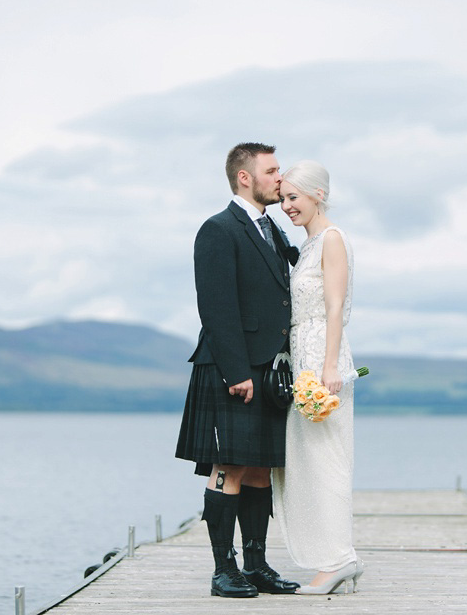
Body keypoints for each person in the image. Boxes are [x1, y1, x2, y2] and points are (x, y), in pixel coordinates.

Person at [175, 142, 301, 598]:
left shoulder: (275, 231)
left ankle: (257, 565)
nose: (279, 179)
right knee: (228, 465)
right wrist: (235, 372)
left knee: (260, 469)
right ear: (244, 177)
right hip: (235, 369)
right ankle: (223, 571)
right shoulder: (218, 229)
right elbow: (215, 306)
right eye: (271, 171)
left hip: (272, 371)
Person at [272, 160, 363, 594]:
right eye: (283, 198)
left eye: (293, 197)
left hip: (322, 363)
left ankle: (338, 559)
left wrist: (328, 366)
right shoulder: (308, 245)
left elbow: (334, 306)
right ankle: (333, 556)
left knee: (327, 462)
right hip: (301, 359)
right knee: (308, 464)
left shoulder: (332, 239)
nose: (286, 205)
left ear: (318, 195)